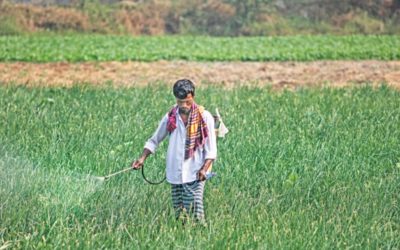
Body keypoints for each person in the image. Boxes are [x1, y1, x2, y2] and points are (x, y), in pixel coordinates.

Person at [131, 79, 217, 223]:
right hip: (175, 172)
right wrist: (142, 158)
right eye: (180, 102)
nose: (183, 106)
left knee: (196, 211)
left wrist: (204, 169)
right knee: (179, 214)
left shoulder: (205, 117)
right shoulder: (171, 116)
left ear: (193, 97)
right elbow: (154, 140)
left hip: (196, 172)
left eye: (187, 102)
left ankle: (200, 236)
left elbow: (211, 150)